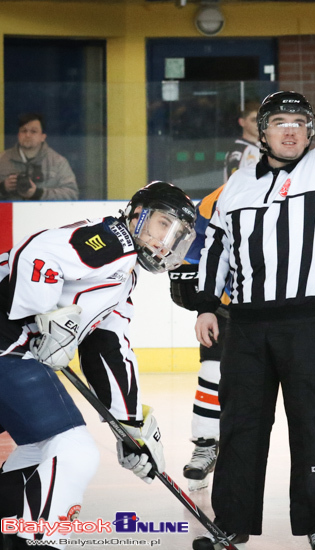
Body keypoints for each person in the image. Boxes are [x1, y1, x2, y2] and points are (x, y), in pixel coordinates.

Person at [192, 18, 315, 550]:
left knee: (312, 426)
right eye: (280, 122)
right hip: (246, 328)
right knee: (241, 429)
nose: (290, 129)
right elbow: (219, 247)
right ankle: (231, 526)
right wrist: (206, 304)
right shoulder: (237, 185)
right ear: (262, 131)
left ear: (309, 132)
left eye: (299, 122)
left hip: (311, 323)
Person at [0, 181, 196, 550]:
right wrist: (46, 314)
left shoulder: (125, 279)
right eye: (161, 224)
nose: (165, 241)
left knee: (40, 448)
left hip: (12, 352)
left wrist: (132, 425)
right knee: (74, 450)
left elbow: (108, 347)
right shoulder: (113, 240)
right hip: (6, 344)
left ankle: (10, 534)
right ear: (137, 215)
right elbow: (35, 253)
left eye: (177, 235)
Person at [169, 185, 315, 493]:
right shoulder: (228, 193)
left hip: (297, 308)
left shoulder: (308, 189)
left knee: (313, 378)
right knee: (213, 372)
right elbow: (194, 234)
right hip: (233, 310)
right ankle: (206, 443)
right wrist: (194, 278)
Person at [0, 113, 78, 201]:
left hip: (44, 214)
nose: (28, 135)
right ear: (18, 135)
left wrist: (38, 194)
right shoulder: (2, 159)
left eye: (33, 131)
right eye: (24, 131)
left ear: (43, 137)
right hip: (9, 214)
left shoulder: (58, 162)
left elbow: (72, 195)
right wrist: (3, 188)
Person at [223, 102, 261, 184]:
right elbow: (233, 183)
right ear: (242, 122)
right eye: (254, 120)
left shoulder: (264, 147)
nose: (258, 124)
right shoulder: (238, 150)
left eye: (261, 120)